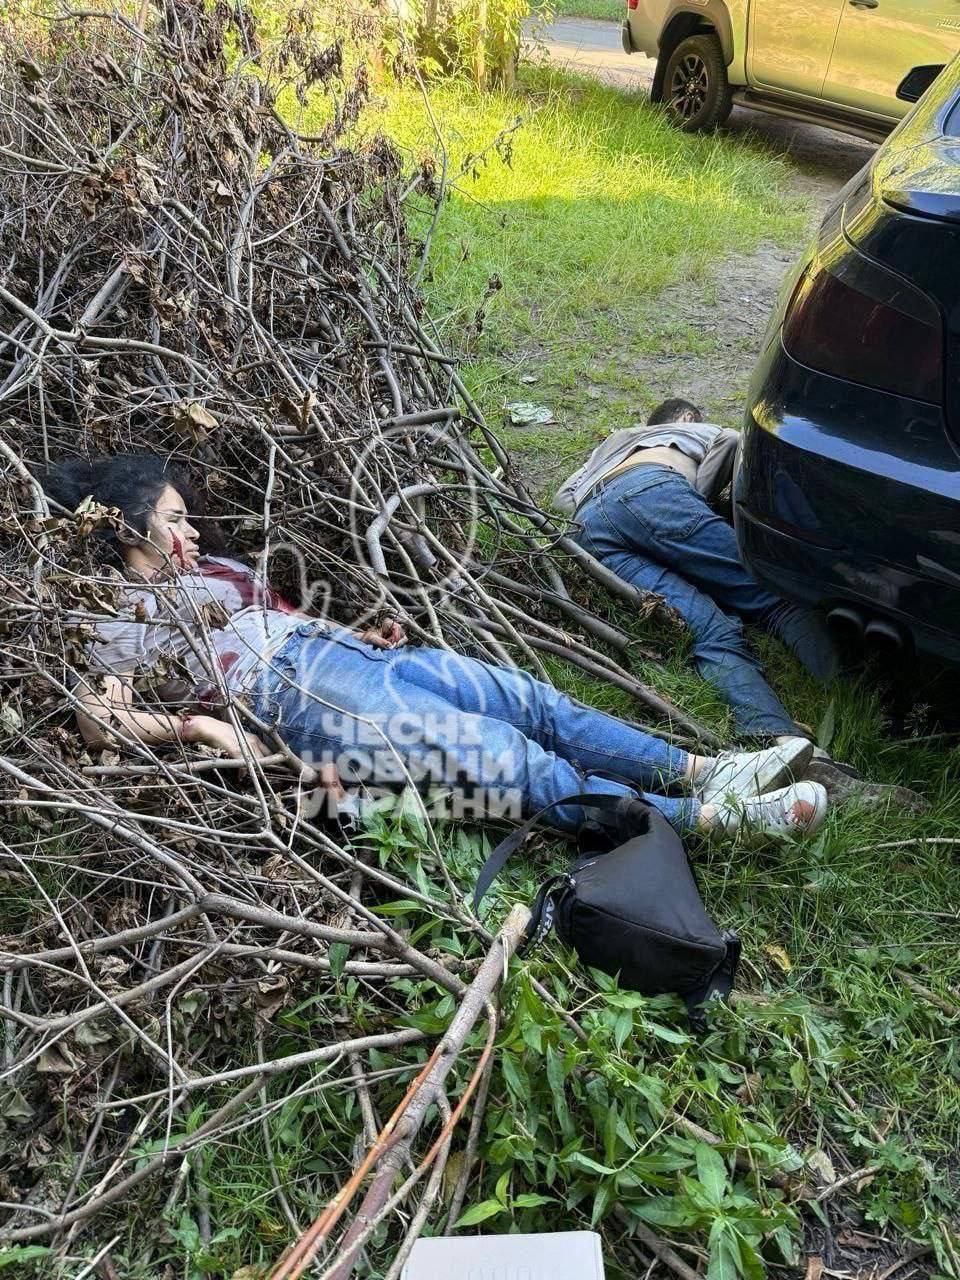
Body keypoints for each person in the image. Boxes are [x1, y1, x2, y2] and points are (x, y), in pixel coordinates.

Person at [43, 454, 829, 839]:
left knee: (529, 701)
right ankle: (711, 820)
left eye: (187, 518)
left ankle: (704, 769)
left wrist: (357, 634)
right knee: (504, 762)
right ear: (126, 525)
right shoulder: (112, 614)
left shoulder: (211, 570)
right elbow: (97, 721)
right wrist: (202, 729)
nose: (188, 532)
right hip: (292, 695)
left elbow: (276, 616)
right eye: (173, 518)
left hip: (336, 657)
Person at [556, 399, 840, 743]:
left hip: (588, 528)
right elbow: (731, 441)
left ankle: (780, 741)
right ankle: (855, 697)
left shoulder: (614, 442)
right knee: (774, 594)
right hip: (654, 492)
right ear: (688, 416)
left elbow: (562, 500)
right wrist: (693, 504)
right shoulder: (691, 430)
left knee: (709, 631)